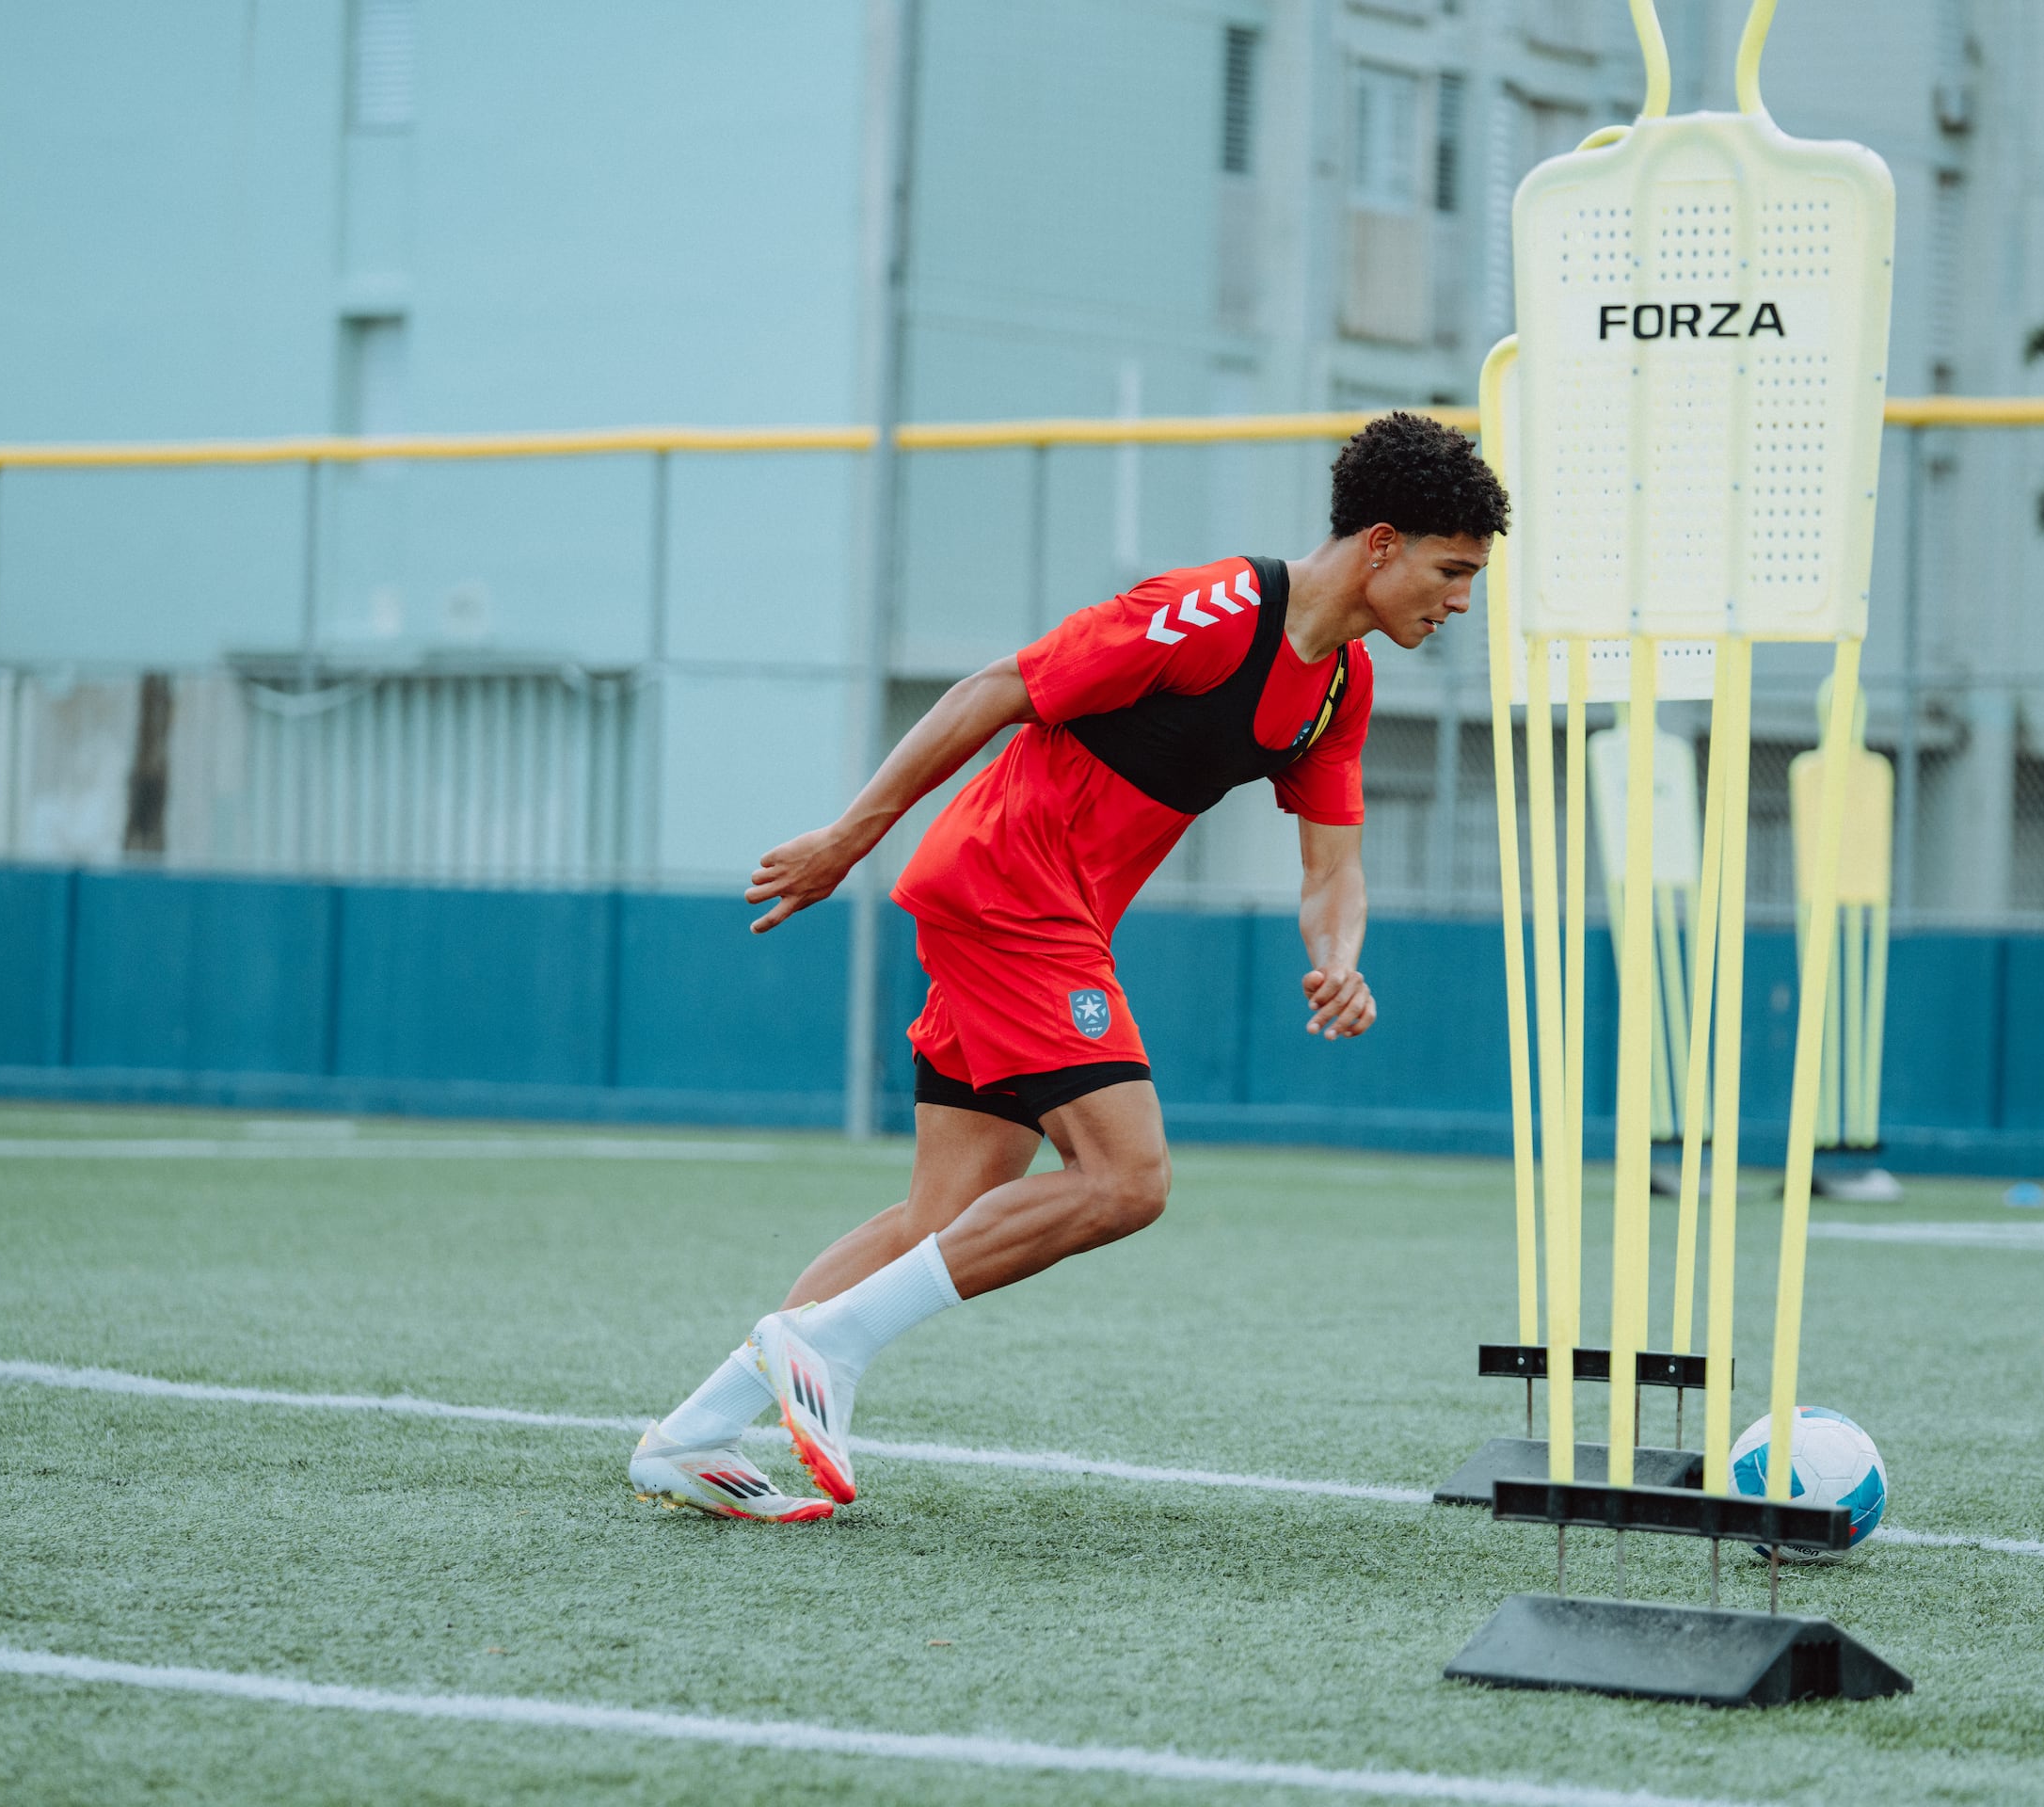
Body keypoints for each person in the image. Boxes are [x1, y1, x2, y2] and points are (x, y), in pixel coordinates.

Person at [630, 411, 1509, 1520]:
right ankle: (826, 1348)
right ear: (1380, 543)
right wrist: (850, 836)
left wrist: (1341, 957)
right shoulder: (1217, 610)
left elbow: (1333, 867)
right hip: (1008, 889)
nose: (1462, 599)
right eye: (1453, 569)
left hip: (1050, 915)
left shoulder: (1339, 688)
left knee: (942, 1212)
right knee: (1126, 1179)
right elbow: (996, 687)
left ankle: (692, 1433)